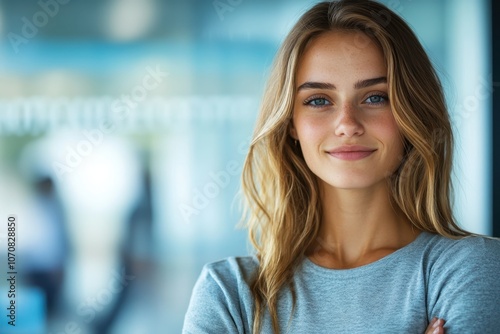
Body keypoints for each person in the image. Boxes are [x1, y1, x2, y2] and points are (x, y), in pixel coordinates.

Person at [182, 1, 500, 333]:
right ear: (291, 122)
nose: (347, 124)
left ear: (412, 113)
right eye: (319, 100)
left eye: (376, 97)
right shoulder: (228, 293)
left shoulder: (474, 269)